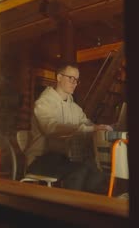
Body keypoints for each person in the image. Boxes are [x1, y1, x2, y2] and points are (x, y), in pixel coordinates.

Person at [24, 61, 113, 194]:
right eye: (71, 78)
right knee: (79, 171)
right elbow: (51, 128)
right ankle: (72, 208)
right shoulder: (43, 103)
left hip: (63, 158)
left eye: (77, 80)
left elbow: (86, 123)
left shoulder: (74, 107)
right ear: (59, 77)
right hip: (40, 159)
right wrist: (88, 128)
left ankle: (84, 205)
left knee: (98, 170)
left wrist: (100, 127)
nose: (75, 83)